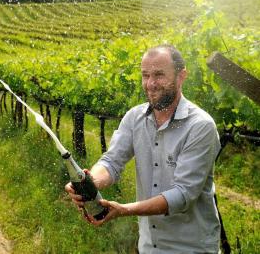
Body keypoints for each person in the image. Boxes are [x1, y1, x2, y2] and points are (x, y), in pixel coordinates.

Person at [65, 44, 221, 253]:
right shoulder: (134, 118)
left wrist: (124, 210)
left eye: (159, 75)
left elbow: (183, 194)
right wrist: (89, 183)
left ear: (181, 76)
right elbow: (112, 162)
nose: (151, 83)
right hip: (149, 246)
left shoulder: (200, 126)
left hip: (191, 247)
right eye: (145, 75)